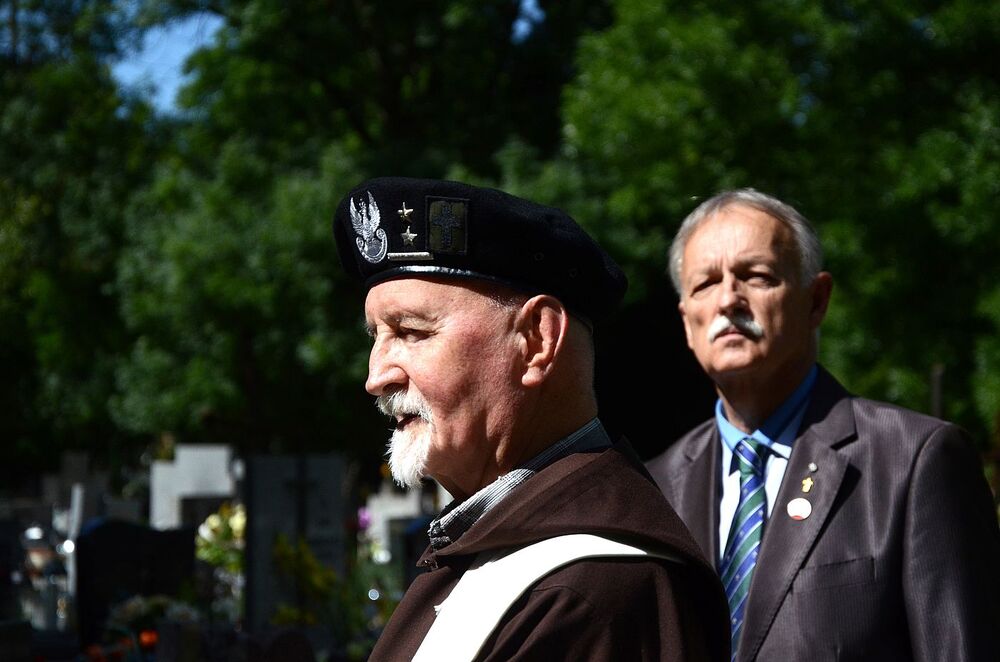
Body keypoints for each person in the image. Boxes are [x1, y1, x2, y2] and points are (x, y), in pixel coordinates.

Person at [334, 177, 729, 661]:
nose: (377, 376)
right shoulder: (496, 545)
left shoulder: (591, 592)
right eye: (376, 335)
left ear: (537, 341)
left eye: (412, 332)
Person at [646, 188, 1000, 661]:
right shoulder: (653, 490)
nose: (729, 298)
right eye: (705, 284)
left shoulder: (915, 462)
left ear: (816, 301)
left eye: (756, 276)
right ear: (688, 323)